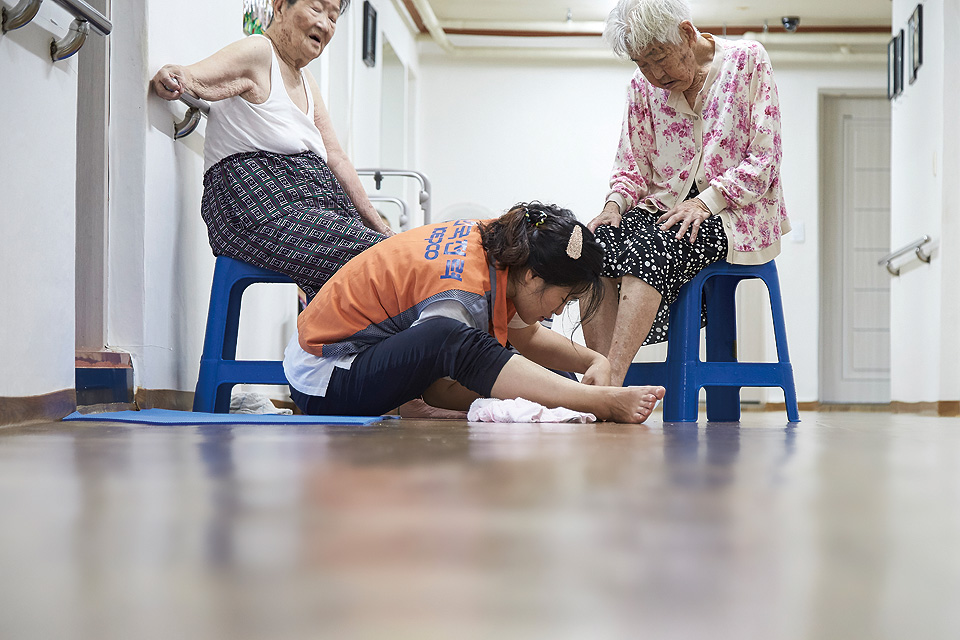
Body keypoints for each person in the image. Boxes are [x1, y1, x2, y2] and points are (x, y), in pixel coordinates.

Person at [283, 202, 666, 423]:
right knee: (450, 338)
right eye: (563, 299)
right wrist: (575, 400)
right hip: (327, 379)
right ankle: (600, 402)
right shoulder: (459, 295)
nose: (561, 308)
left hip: (356, 356)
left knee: (552, 377)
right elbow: (441, 385)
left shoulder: (498, 247)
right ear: (534, 278)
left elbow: (525, 335)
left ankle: (581, 396)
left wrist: (593, 360)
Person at [583, 0, 791, 386]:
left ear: (686, 33)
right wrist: (614, 205)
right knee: (592, 247)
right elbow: (632, 166)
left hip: (734, 212)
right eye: (641, 64)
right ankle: (600, 375)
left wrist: (704, 201)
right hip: (667, 208)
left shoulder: (747, 61)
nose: (653, 74)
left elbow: (765, 158)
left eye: (659, 59)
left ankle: (610, 385)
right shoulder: (641, 88)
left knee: (651, 247)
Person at [151, 0, 392, 299]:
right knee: (380, 260)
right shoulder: (259, 51)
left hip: (307, 205)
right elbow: (197, 76)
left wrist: (381, 228)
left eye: (333, 17)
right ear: (280, 8)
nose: (325, 24)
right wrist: (175, 76)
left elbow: (337, 158)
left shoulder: (307, 81)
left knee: (390, 255)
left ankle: (355, 341)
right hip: (256, 206)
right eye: (317, 9)